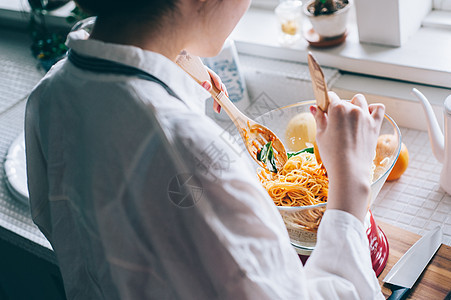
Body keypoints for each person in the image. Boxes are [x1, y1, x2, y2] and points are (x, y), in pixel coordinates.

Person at [25, 0, 385, 299]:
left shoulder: (51, 93)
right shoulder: (195, 160)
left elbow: (56, 218)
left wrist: (170, 65)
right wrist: (352, 180)